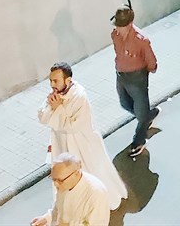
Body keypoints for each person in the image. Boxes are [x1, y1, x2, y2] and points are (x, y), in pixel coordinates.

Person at [38, 63, 127, 210]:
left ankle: (99, 203)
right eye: (51, 81)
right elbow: (42, 117)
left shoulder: (79, 96)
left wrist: (58, 108)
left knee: (90, 174)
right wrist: (53, 108)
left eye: (55, 81)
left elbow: (73, 126)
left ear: (67, 80)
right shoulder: (55, 94)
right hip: (62, 144)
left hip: (82, 145)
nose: (52, 85)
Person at [110, 0, 158, 157]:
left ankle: (139, 140)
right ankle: (148, 116)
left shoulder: (141, 40)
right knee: (124, 103)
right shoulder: (115, 35)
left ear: (130, 24)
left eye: (121, 26)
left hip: (137, 77)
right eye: (117, 25)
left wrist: (148, 71)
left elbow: (151, 61)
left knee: (141, 111)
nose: (118, 28)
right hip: (121, 75)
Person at [31, 154, 109, 226]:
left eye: (60, 180)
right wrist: (47, 218)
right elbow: (58, 208)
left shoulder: (96, 193)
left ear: (76, 173)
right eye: (53, 179)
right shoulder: (63, 183)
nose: (56, 184)